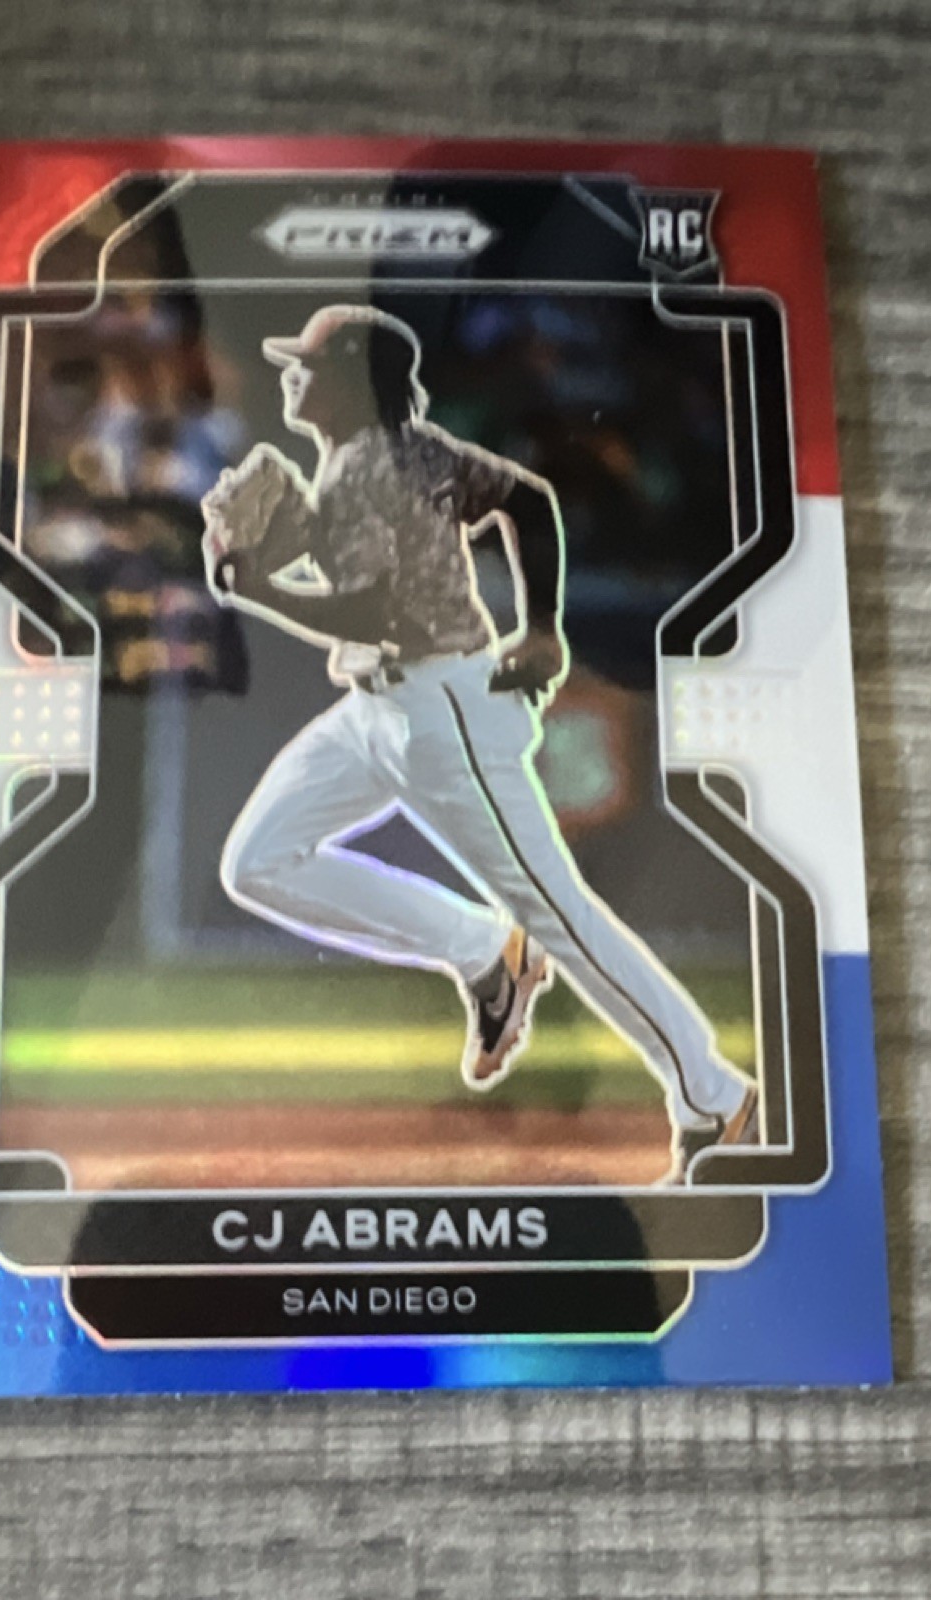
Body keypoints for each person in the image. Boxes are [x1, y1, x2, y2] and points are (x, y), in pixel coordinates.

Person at [201, 305, 758, 1182]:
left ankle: (712, 1096)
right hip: (376, 711)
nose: (292, 375)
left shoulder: (374, 469)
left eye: (308, 363)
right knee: (258, 860)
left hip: (440, 712)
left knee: (559, 915)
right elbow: (521, 500)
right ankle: (481, 950)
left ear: (352, 381)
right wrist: (539, 624)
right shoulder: (392, 453)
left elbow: (374, 611)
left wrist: (261, 588)